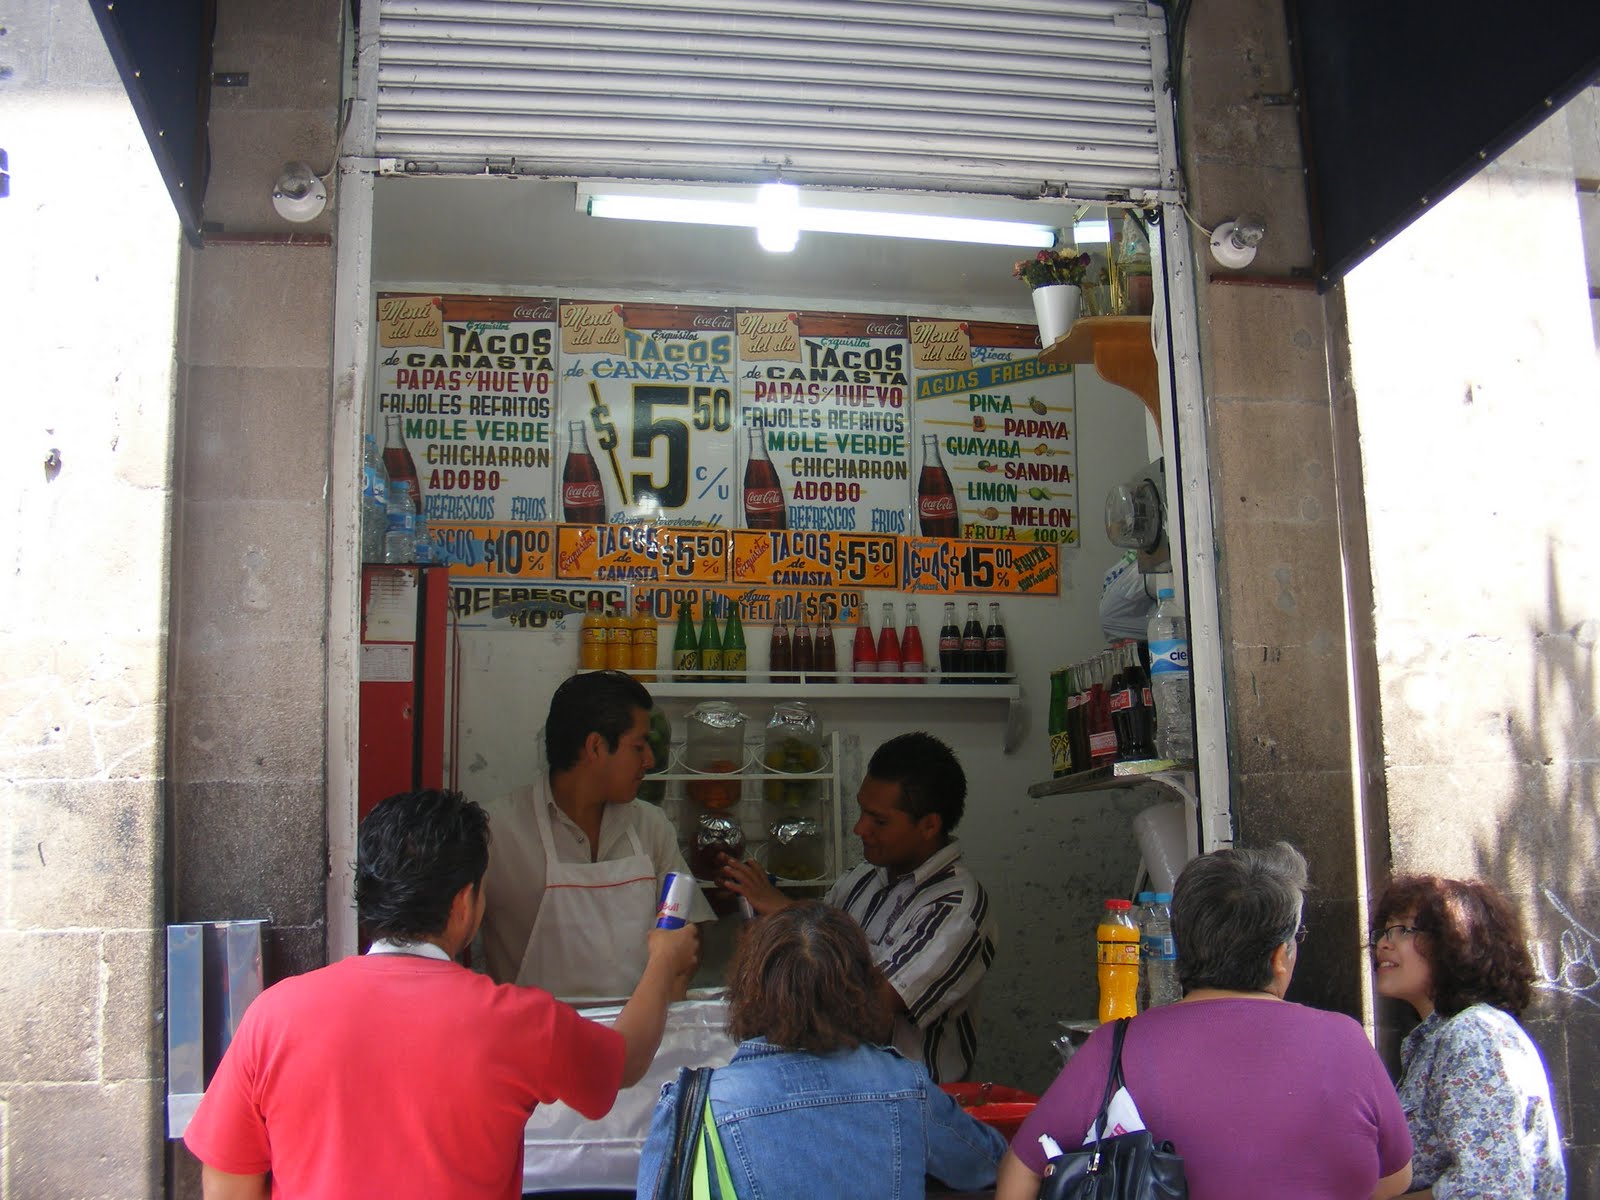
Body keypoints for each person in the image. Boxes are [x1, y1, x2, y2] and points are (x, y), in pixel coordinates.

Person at [183, 788, 700, 1200]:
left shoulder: (274, 1015)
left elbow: (228, 1180)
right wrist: (663, 960)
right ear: (464, 903)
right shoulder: (516, 1021)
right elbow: (625, 1062)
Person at [996, 842, 1415, 1200]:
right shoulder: (1345, 1039)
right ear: (1279, 957)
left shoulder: (1118, 1045)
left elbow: (1023, 1169)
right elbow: (1395, 1177)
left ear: (1182, 947)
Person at [636, 901, 1006, 1199]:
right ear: (861, 989)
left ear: (749, 992)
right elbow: (988, 1164)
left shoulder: (696, 1106)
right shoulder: (905, 1086)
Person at [720, 731, 997, 1082]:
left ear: (929, 825)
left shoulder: (958, 909)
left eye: (879, 821)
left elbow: (872, 1008)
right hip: (841, 1082)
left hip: (913, 1098)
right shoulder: (863, 877)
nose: (859, 828)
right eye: (862, 811)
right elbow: (806, 963)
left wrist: (785, 913)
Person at [480, 669, 712, 995]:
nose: (649, 760)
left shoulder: (651, 825)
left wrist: (673, 981)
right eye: (638, 746)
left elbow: (690, 929)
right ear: (596, 747)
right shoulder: (495, 832)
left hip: (640, 1025)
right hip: (533, 1027)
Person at [1371, 874, 1566, 1199]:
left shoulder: (1473, 1035)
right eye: (1385, 931)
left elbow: (1488, 1190)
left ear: (1456, 942)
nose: (1383, 944)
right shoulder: (1440, 1037)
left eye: (1404, 929)